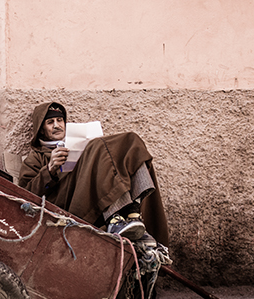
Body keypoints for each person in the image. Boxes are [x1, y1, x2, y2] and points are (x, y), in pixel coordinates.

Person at [18, 102, 169, 246]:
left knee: (131, 141)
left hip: (90, 194)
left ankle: (132, 211)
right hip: (67, 206)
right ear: (41, 129)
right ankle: (115, 218)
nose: (57, 125)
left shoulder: (75, 144)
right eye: (50, 122)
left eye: (60, 120)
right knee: (98, 146)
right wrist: (49, 169)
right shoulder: (35, 157)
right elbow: (25, 196)